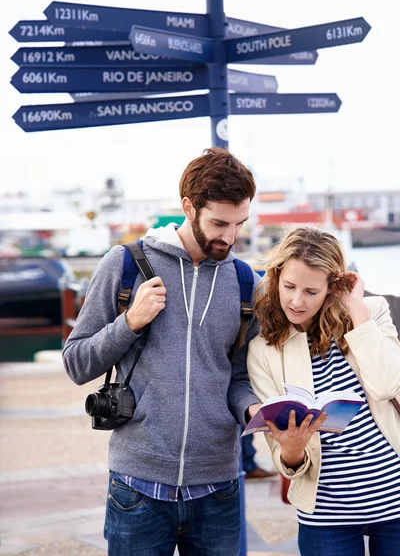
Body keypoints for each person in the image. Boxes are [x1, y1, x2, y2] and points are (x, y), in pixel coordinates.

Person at [62, 147, 263, 556]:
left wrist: (253, 411)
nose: (229, 236)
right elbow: (76, 362)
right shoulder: (124, 265)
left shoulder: (246, 284)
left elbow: (239, 378)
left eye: (239, 223)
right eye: (219, 223)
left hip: (218, 490)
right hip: (137, 489)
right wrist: (129, 322)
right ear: (189, 207)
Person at [247, 226, 400, 556]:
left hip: (396, 505)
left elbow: (387, 384)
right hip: (326, 517)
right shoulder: (263, 349)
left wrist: (357, 309)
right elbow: (285, 460)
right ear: (275, 278)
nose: (296, 301)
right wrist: (292, 448)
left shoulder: (371, 314)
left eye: (311, 291)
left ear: (332, 289)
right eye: (288, 286)